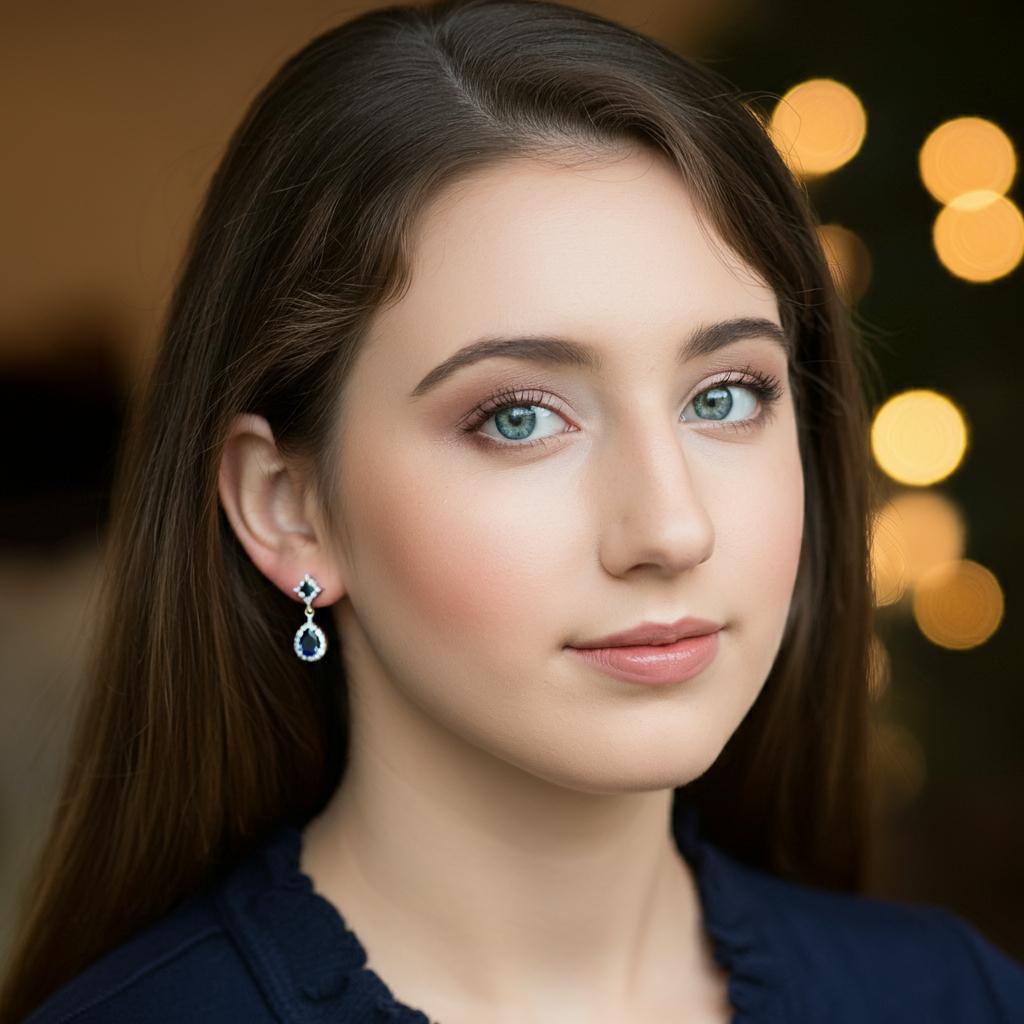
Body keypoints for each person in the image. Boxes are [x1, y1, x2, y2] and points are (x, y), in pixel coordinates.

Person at [4, 0, 1023, 1020]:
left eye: (723, 396)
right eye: (521, 418)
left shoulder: (954, 996)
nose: (671, 528)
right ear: (288, 508)